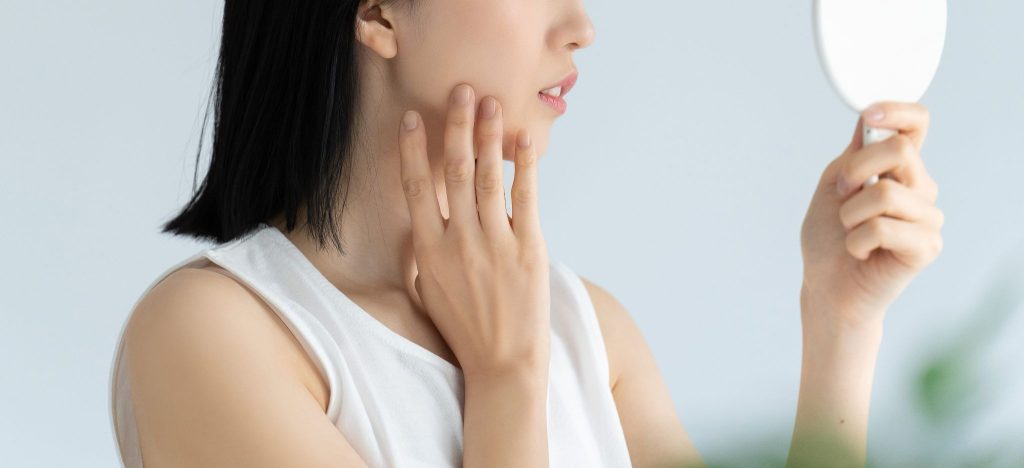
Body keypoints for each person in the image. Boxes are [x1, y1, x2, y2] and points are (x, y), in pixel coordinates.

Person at [108, 0, 944, 467]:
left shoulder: (591, 333)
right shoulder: (213, 336)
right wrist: (505, 381)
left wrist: (840, 320)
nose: (580, 25)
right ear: (377, 12)